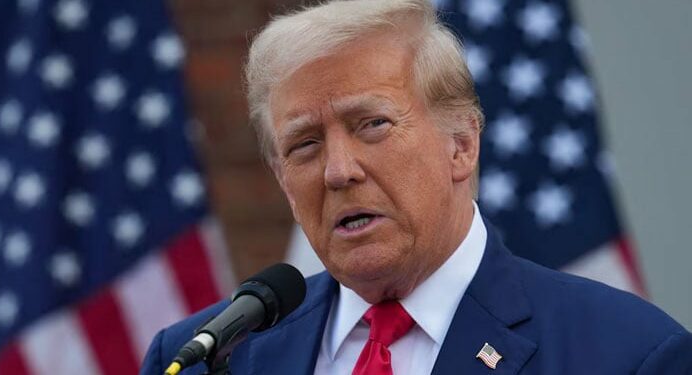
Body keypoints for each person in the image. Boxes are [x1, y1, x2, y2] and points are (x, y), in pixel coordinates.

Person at [140, 1, 692, 374]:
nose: (338, 170)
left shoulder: (628, 354)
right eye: (304, 144)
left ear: (462, 145)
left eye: (372, 125)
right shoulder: (206, 358)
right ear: (284, 181)